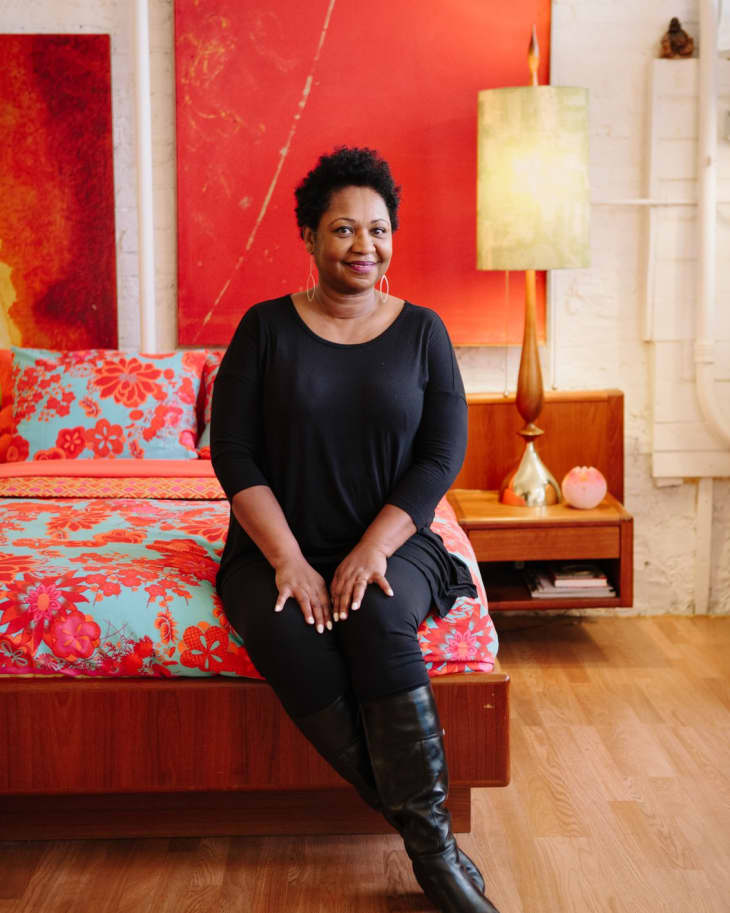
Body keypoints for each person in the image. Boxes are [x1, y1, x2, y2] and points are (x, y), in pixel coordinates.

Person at [211, 146, 501, 913]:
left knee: (375, 608)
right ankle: (433, 846)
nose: (363, 246)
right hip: (279, 543)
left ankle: (429, 850)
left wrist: (373, 547)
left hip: (397, 541)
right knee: (283, 625)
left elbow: (442, 455)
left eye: (377, 229)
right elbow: (234, 452)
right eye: (343, 229)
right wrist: (288, 560)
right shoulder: (265, 328)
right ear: (308, 235)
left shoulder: (424, 332)